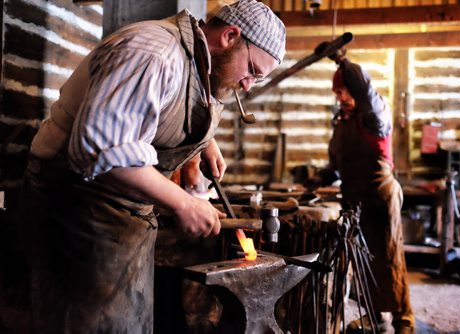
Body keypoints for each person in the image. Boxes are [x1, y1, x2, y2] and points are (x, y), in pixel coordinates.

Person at [23, 0, 286, 332]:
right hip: (78, 211)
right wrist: (182, 203)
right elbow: (101, 148)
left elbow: (164, 104)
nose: (248, 84)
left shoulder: (200, 64)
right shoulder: (152, 51)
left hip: (125, 215)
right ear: (231, 35)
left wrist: (202, 144)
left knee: (129, 323)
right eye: (252, 71)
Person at [325, 58, 415, 333]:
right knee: (363, 258)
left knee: (389, 256)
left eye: (342, 91)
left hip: (380, 195)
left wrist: (343, 62)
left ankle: (404, 318)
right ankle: (376, 316)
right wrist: (320, 177)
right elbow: (337, 164)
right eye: (336, 92)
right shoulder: (342, 122)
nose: (339, 97)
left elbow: (365, 90)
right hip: (354, 199)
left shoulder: (374, 116)